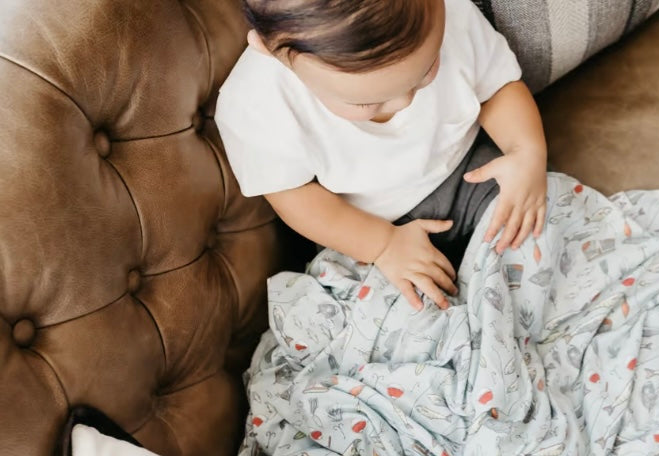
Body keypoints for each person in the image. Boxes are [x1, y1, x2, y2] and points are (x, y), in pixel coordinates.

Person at [216, 0, 548, 311]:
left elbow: (499, 87)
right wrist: (383, 245)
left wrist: (526, 151)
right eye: (364, 103)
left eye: (426, 71)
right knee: (378, 311)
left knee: (541, 230)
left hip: (471, 174)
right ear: (271, 49)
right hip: (365, 227)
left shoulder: (451, 11)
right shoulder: (255, 103)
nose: (405, 103)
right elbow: (292, 195)